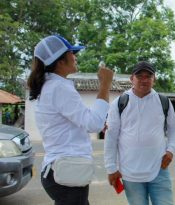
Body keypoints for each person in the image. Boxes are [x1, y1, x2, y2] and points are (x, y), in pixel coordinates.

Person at [27, 35, 113, 205]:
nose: (75, 56)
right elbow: (93, 123)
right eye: (72, 53)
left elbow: (83, 119)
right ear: (60, 61)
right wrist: (105, 85)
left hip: (63, 171)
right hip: (68, 172)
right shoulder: (59, 87)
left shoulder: (51, 86)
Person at [104, 61, 175, 205]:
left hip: (159, 169)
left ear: (154, 79)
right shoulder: (119, 103)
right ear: (132, 79)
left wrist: (170, 150)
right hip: (130, 173)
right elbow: (111, 136)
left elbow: (174, 128)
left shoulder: (163, 101)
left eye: (148, 76)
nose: (144, 80)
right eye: (140, 76)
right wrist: (111, 168)